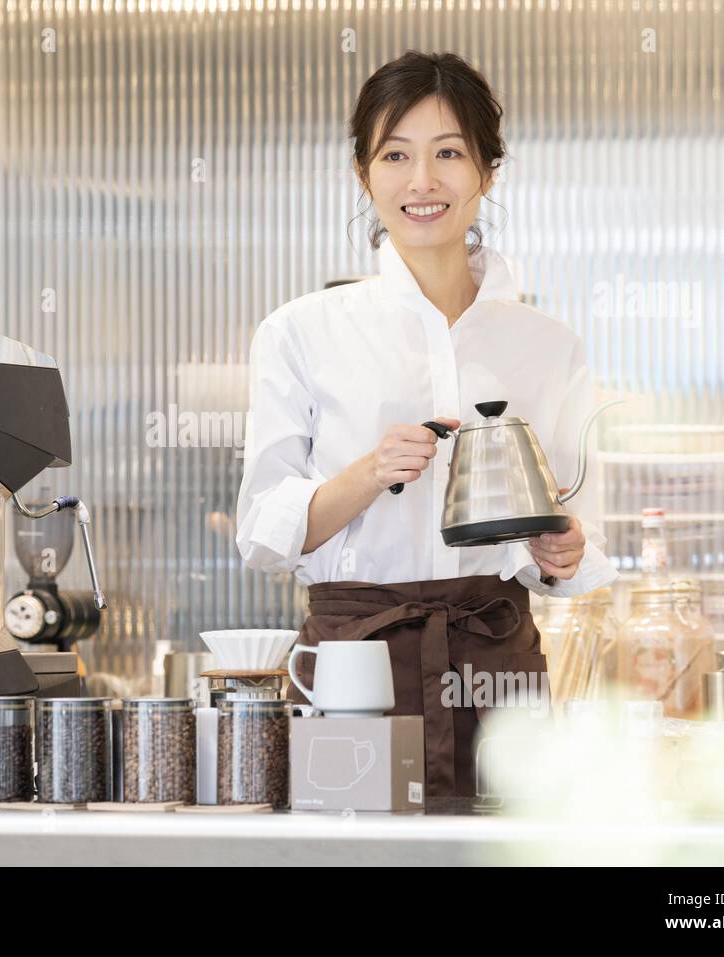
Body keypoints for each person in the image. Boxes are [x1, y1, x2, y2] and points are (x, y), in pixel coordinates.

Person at [236, 51, 618, 799]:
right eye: (395, 155)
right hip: (356, 659)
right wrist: (369, 473)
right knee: (347, 855)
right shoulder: (300, 332)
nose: (422, 181)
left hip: (498, 658)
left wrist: (562, 547)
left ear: (488, 172)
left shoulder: (546, 344)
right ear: (362, 173)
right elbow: (261, 530)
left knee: (510, 852)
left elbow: (575, 542)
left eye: (448, 153)